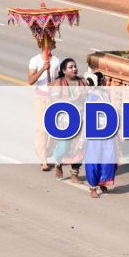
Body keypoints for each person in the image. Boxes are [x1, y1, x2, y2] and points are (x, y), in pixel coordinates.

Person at [49, 57, 85, 182]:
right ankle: (58, 163)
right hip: (64, 120)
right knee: (64, 147)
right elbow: (54, 100)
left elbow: (89, 97)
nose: (74, 69)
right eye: (70, 67)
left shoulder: (82, 82)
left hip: (81, 120)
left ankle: (75, 173)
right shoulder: (59, 83)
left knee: (80, 147)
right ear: (64, 70)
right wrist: (70, 100)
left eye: (75, 66)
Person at [28, 35, 60, 171]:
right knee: (42, 129)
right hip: (41, 97)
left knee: (53, 129)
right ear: (44, 44)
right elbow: (30, 80)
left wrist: (55, 84)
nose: (55, 42)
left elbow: (60, 79)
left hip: (53, 98)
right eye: (52, 40)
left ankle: (44, 151)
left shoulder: (57, 61)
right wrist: (42, 69)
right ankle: (43, 159)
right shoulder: (34, 60)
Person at [82, 73, 117, 198]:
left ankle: (103, 180)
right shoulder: (92, 97)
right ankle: (93, 187)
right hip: (95, 133)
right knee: (94, 160)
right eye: (103, 80)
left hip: (107, 132)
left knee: (108, 157)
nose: (106, 81)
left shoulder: (104, 94)